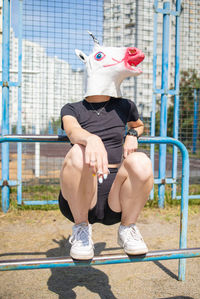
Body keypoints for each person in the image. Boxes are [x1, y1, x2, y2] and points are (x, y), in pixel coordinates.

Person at [59, 33, 154, 260]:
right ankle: (82, 229)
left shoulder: (125, 105)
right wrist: (91, 139)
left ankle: (127, 229)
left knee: (141, 161)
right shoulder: (71, 109)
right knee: (76, 152)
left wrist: (132, 134)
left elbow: (139, 125)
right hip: (82, 195)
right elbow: (72, 130)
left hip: (116, 195)